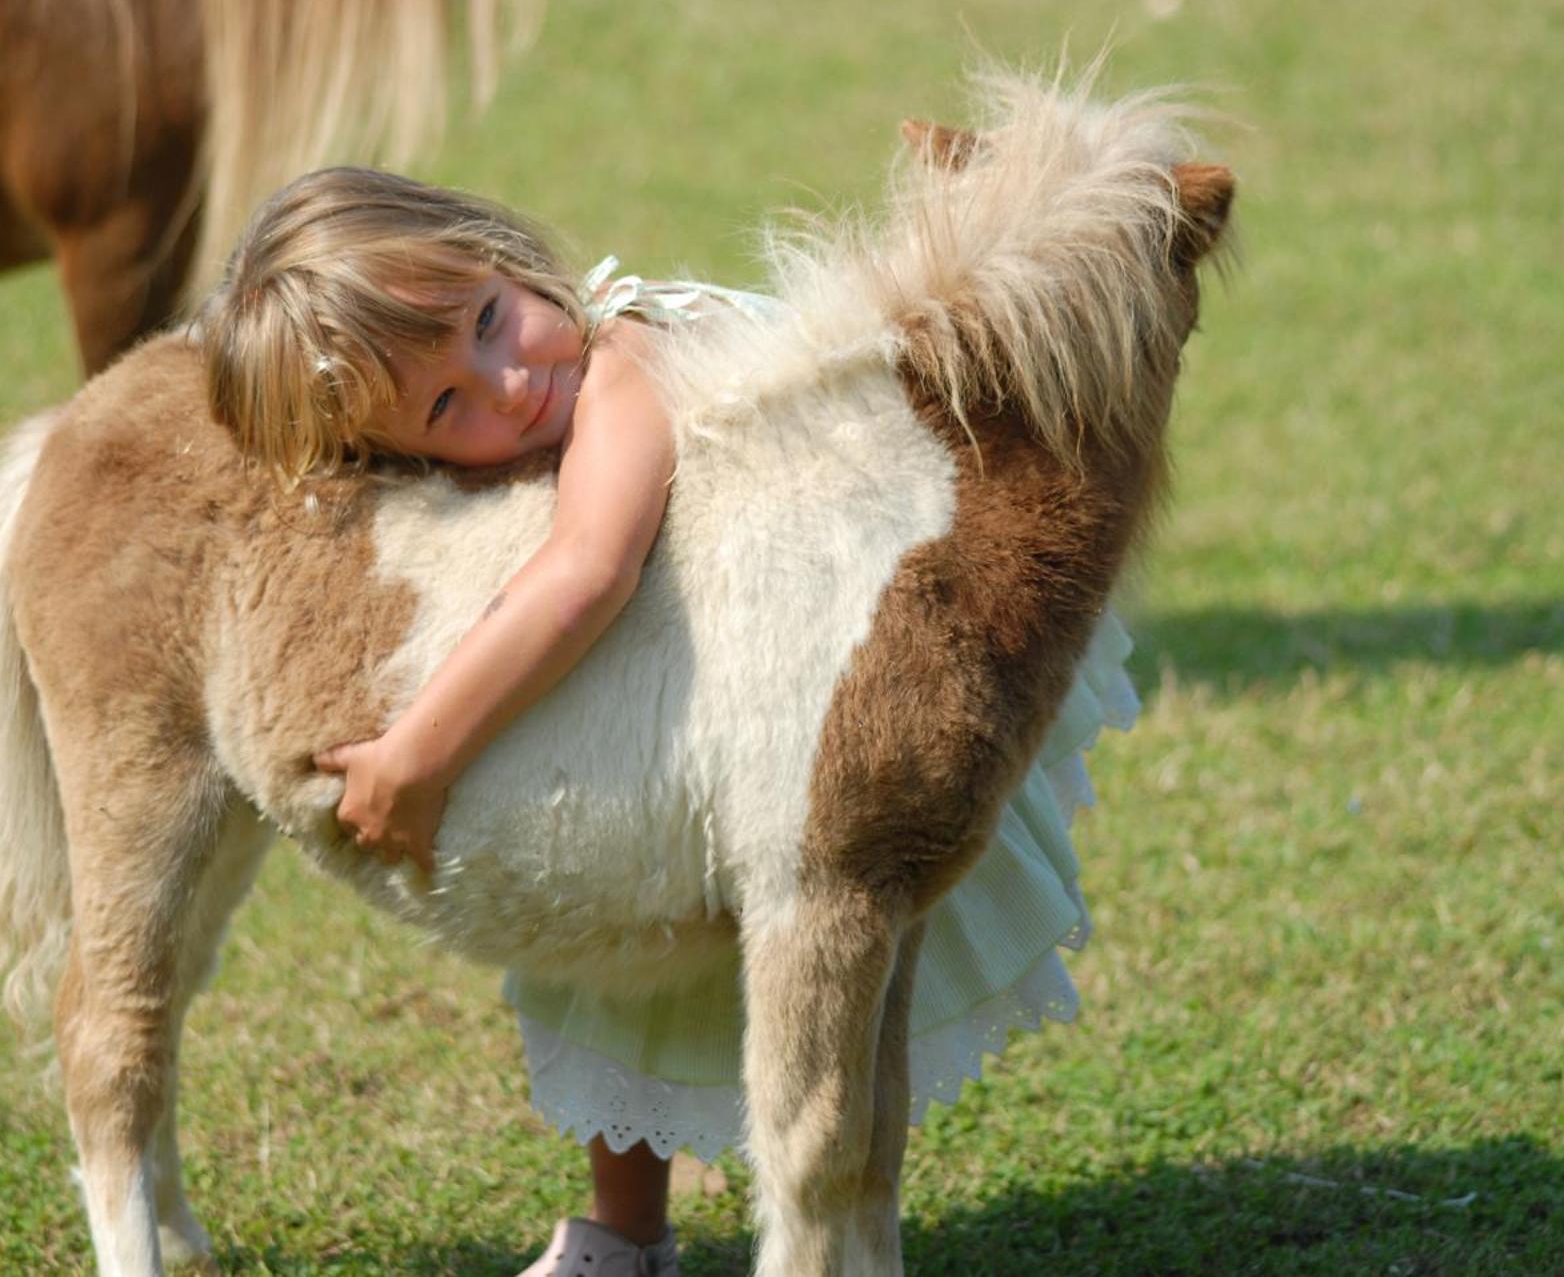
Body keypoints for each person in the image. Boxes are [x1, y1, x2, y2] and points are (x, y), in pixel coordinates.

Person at [202, 165, 1141, 1277]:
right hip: (702, 672)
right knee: (613, 966)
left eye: (490, 321)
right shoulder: (545, 387)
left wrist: (420, 748)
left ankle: (781, 1221)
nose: (504, 385)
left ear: (500, 252)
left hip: (815, 672)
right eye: (442, 406)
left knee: (800, 946)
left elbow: (584, 572)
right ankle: (632, 1228)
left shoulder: (624, 363)